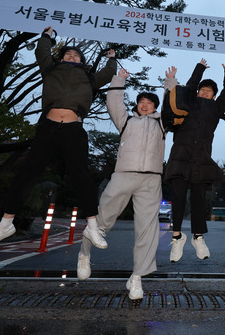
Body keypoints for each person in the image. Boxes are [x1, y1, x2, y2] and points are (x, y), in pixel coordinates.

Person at [0, 26, 116, 252]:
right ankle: (5, 225)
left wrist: (112, 59)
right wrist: (47, 36)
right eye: (68, 54)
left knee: (81, 176)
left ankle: (92, 226)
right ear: (61, 57)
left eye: (76, 55)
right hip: (48, 127)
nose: (72, 56)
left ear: (82, 61)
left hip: (73, 128)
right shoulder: (50, 69)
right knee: (26, 173)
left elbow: (108, 74)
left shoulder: (89, 78)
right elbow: (42, 52)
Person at [77, 67, 166, 300]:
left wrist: (170, 82)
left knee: (148, 229)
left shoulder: (162, 124)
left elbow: (174, 104)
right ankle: (84, 254)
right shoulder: (126, 121)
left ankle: (137, 277)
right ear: (137, 105)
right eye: (141, 102)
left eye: (150, 102)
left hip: (151, 179)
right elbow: (114, 104)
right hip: (123, 174)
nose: (145, 105)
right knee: (102, 220)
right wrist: (119, 80)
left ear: (156, 107)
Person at [164, 58, 225, 262]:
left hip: (202, 160)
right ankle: (177, 237)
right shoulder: (190, 102)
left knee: (198, 200)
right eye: (202, 89)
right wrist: (200, 68)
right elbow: (190, 86)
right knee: (177, 198)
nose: (204, 92)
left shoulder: (216, 108)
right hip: (180, 156)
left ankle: (198, 236)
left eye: (209, 91)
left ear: (214, 95)